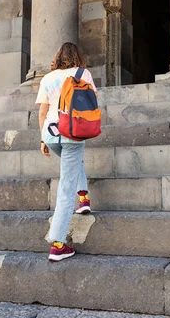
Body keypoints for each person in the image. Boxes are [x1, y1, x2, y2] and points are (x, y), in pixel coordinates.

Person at [36, 42, 96, 262]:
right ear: (77, 56)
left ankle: (84, 197)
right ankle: (58, 244)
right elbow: (92, 101)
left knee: (73, 164)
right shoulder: (83, 73)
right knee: (65, 187)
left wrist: (42, 138)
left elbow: (42, 112)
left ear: (57, 58)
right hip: (73, 131)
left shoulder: (47, 78)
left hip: (51, 134)